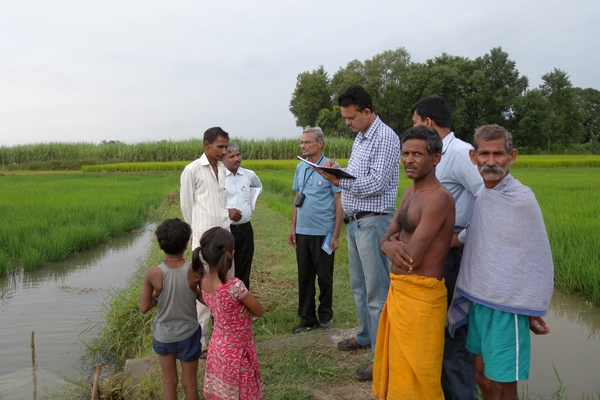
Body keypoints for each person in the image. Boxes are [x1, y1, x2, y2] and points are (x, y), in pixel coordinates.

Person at [448, 124, 553, 400]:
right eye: (484, 154)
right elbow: (478, 237)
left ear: (512, 156)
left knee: (503, 385)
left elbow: (535, 257)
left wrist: (530, 305)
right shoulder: (484, 195)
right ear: (474, 157)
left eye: (498, 154)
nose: (491, 162)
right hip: (482, 301)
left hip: (508, 308)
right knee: (480, 374)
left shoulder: (521, 199)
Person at [315, 85, 400, 381]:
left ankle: (381, 359)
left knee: (377, 294)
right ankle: (365, 335)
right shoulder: (362, 138)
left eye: (351, 118)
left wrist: (337, 180)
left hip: (374, 222)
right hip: (356, 222)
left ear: (366, 111)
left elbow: (375, 183)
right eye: (345, 118)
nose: (347, 123)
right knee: (359, 287)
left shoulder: (386, 137)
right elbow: (359, 174)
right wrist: (339, 170)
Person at [372, 126, 455, 399]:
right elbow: (387, 235)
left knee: (420, 374)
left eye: (417, 154)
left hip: (422, 299)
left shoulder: (439, 199)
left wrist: (388, 244)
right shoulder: (410, 193)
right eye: (405, 153)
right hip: (401, 292)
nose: (409, 159)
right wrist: (386, 243)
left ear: (435, 158)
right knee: (400, 368)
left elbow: (411, 258)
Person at [411, 95, 483, 399]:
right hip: (438, 254)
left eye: (415, 123)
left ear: (428, 122)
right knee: (437, 332)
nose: (412, 129)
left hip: (454, 254)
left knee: (453, 335)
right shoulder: (435, 154)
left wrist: (463, 236)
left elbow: (489, 196)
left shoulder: (460, 153)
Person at [180, 126, 233, 358]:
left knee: (226, 286)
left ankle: (227, 335)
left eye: (225, 147)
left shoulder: (223, 170)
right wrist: (198, 236)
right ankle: (201, 343)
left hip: (225, 240)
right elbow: (186, 207)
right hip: (203, 241)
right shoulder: (192, 170)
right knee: (204, 293)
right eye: (219, 147)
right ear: (206, 145)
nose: (223, 151)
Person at [194, 227, 265, 400]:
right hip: (238, 352)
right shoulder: (235, 287)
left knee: (224, 393)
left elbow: (210, 302)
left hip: (217, 348)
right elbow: (259, 311)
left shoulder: (203, 282)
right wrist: (246, 307)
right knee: (244, 392)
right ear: (231, 254)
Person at [140, 218, 203, 400]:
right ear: (186, 243)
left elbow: (144, 307)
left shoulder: (153, 273)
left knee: (169, 383)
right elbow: (204, 298)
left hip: (164, 335)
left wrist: (159, 294)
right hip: (189, 334)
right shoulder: (194, 271)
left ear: (160, 245)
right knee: (190, 383)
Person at [288, 126, 342, 334]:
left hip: (325, 233)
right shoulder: (300, 168)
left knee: (325, 276)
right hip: (303, 232)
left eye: (308, 142)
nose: (303, 145)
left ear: (320, 144)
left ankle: (326, 315)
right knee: (305, 276)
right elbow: (297, 199)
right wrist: (293, 227)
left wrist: (336, 235)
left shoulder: (331, 167)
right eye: (302, 142)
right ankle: (307, 318)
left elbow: (339, 202)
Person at [223, 142, 263, 290]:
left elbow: (258, 187)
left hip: (245, 230)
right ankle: (226, 306)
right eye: (231, 156)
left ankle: (243, 305)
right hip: (226, 230)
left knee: (244, 267)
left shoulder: (248, 174)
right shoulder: (219, 177)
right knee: (225, 269)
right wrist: (227, 212)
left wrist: (249, 204)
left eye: (238, 155)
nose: (236, 159)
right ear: (223, 158)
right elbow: (211, 202)